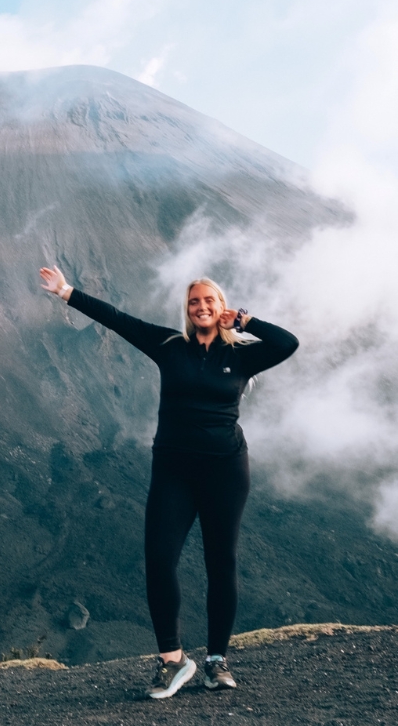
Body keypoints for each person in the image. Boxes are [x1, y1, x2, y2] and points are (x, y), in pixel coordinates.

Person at [39, 265, 298, 699]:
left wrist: (246, 321)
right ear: (187, 309)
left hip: (226, 470)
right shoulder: (169, 346)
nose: (201, 307)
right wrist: (66, 292)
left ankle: (217, 660)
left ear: (221, 308)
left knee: (222, 563)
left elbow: (287, 343)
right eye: (194, 301)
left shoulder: (243, 354)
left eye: (209, 301)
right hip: (174, 470)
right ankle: (173, 660)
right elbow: (118, 320)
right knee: (159, 560)